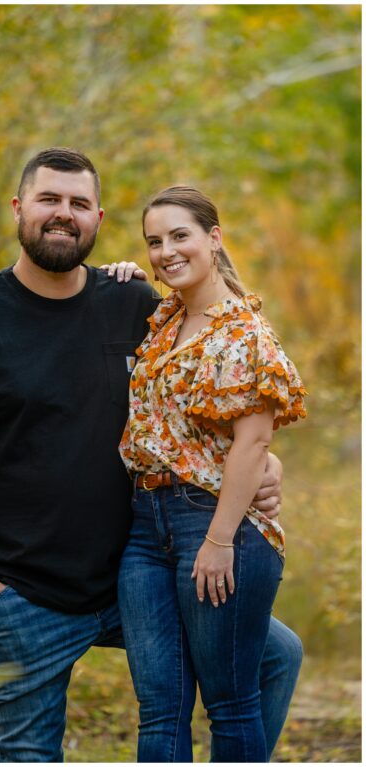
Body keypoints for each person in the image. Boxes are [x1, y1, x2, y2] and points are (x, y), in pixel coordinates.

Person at [0, 148, 303, 762]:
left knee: (276, 657)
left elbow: (203, 406)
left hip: (138, 576)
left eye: (79, 204)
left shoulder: (139, 305)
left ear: (97, 218)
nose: (64, 215)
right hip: (23, 595)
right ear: (18, 208)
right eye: (49, 200)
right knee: (29, 754)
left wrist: (265, 469)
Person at [117, 186, 306, 761]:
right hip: (146, 527)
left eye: (180, 236)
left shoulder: (245, 334)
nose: (166, 252)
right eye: (153, 241)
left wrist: (220, 540)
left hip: (216, 524)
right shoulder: (166, 317)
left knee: (229, 704)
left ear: (213, 239)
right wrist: (116, 272)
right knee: (160, 709)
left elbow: (253, 444)